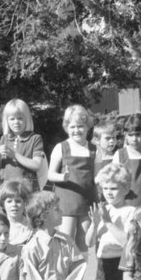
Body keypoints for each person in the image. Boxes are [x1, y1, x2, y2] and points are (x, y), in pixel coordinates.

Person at [47, 104, 96, 249]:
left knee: (84, 242)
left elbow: (98, 177)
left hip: (87, 201)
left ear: (87, 127)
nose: (76, 130)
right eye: (72, 127)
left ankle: (83, 265)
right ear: (66, 128)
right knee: (65, 240)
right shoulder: (61, 147)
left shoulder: (94, 149)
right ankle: (64, 265)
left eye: (80, 126)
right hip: (66, 201)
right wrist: (62, 177)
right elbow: (50, 174)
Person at [86, 163, 136, 280]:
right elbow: (89, 243)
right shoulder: (103, 209)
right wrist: (94, 224)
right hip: (102, 262)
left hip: (121, 263)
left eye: (113, 188)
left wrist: (108, 222)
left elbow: (127, 241)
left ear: (126, 189)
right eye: (105, 188)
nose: (108, 192)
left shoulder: (130, 211)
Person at [20, 190, 85, 280]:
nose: (61, 212)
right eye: (57, 209)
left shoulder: (67, 241)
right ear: (44, 216)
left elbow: (77, 269)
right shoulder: (31, 247)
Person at [0, 99, 45, 191]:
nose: (16, 122)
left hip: (28, 189)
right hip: (8, 189)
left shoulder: (35, 138)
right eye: (12, 119)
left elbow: (37, 165)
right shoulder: (4, 139)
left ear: (26, 119)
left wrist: (14, 154)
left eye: (20, 118)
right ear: (7, 121)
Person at [114, 113, 141, 199]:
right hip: (124, 203)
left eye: (138, 134)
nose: (134, 139)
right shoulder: (119, 154)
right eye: (130, 135)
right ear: (125, 134)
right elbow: (114, 180)